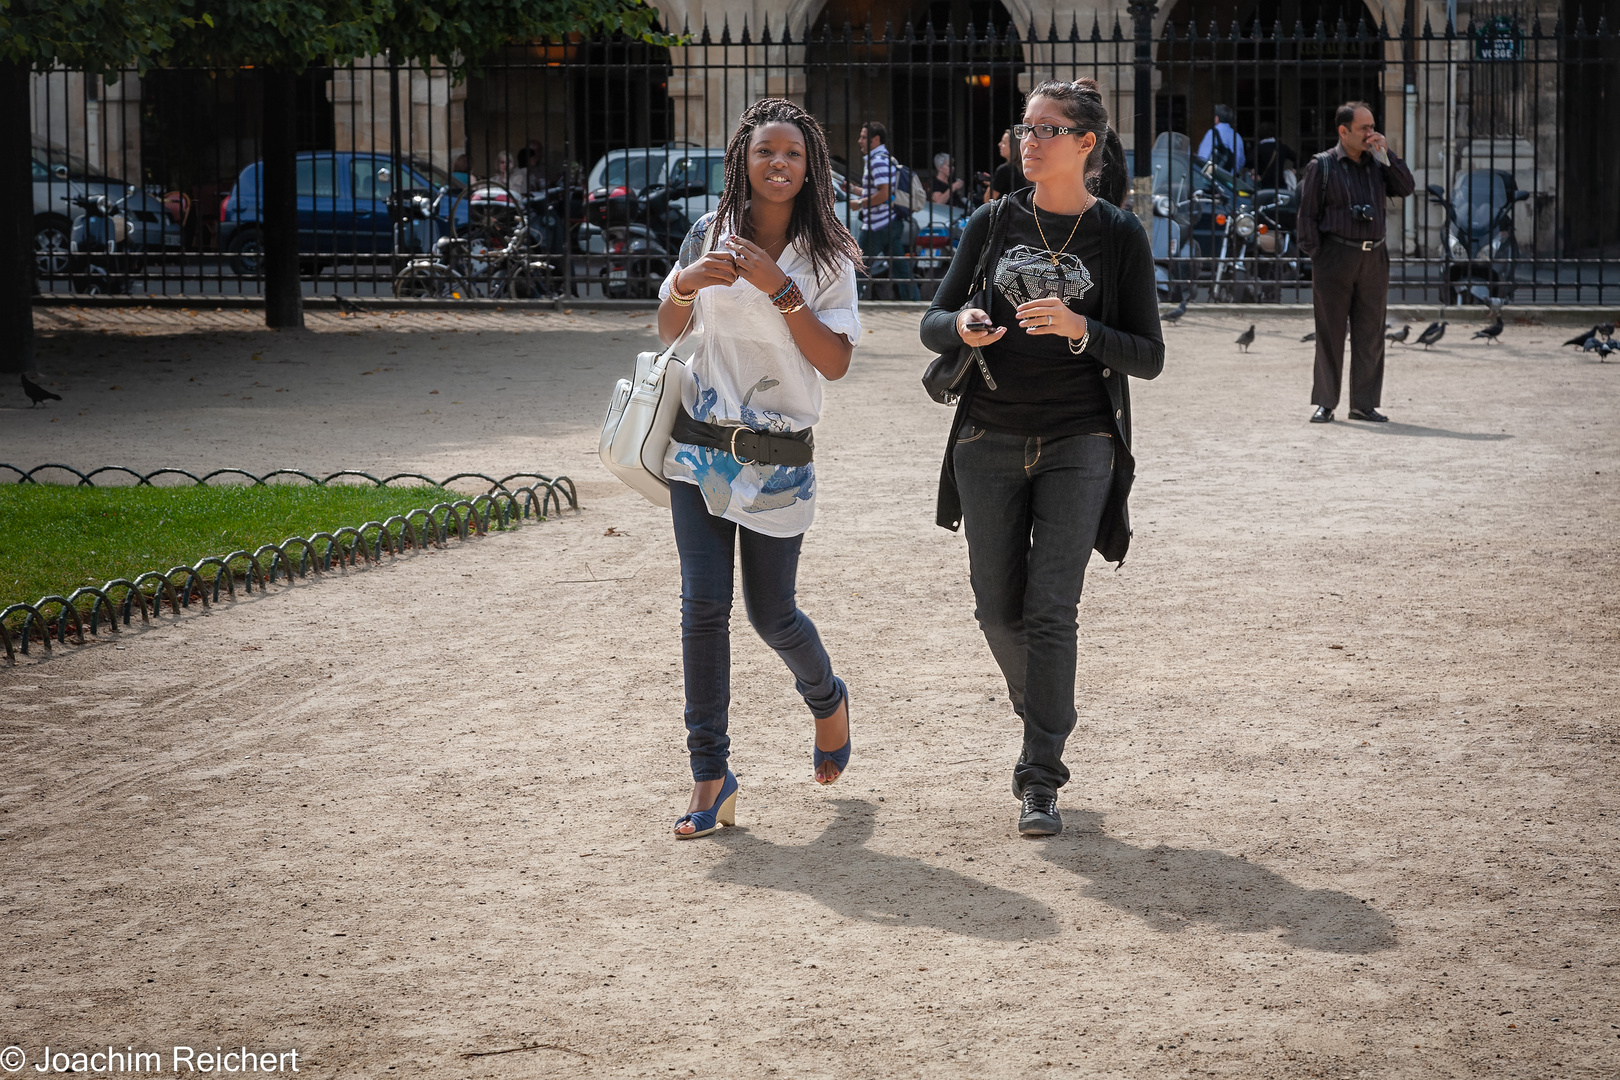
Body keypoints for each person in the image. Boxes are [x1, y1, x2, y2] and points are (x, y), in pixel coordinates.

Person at [920, 78, 1164, 838]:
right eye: (1025, 129)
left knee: (1052, 610)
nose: (1028, 142)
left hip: (1080, 442)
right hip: (986, 438)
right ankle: (1051, 711)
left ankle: (1039, 776)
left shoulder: (1118, 234)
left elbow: (1149, 356)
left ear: (1085, 145)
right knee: (997, 609)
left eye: (1046, 130)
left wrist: (1079, 326)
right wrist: (962, 323)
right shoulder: (992, 221)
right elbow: (931, 321)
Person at [654, 98, 865, 839]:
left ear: (811, 170)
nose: (778, 164)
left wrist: (781, 287)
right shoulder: (707, 234)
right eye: (765, 151)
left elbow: (834, 362)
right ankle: (710, 772)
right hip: (700, 450)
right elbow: (669, 327)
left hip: (779, 463)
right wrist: (684, 284)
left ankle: (827, 697)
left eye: (793, 155)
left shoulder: (831, 256)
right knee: (702, 607)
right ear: (742, 160)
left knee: (770, 613)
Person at [1297, 101, 1415, 424]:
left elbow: (1406, 187)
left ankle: (1363, 404)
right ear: (1343, 131)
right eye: (1364, 128)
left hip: (1374, 257)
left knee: (1371, 333)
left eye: (1373, 126)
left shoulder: (1378, 163)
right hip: (1334, 257)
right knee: (1330, 334)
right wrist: (1318, 256)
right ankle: (1325, 403)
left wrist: (1388, 156)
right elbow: (1307, 216)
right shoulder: (1321, 166)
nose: (1371, 133)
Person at [850, 120, 919, 300]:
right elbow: (877, 190)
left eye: (864, 137)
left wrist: (859, 204)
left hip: (877, 225)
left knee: (857, 266)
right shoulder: (883, 159)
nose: (859, 141)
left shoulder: (877, 161)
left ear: (876, 139)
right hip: (889, 222)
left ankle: (851, 303)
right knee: (900, 269)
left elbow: (884, 194)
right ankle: (914, 301)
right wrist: (853, 190)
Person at [1196, 103, 1246, 174]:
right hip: (1230, 181)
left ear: (1217, 118)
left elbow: (1202, 157)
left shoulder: (1212, 133)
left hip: (1214, 179)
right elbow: (1241, 163)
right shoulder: (1237, 137)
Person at [1253, 122, 1298, 191]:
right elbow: (1298, 158)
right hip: (1280, 185)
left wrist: (1254, 173)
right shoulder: (1281, 147)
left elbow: (1248, 162)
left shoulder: (1259, 148)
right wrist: (1293, 170)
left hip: (1264, 186)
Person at [984, 128, 1022, 203]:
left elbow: (988, 201)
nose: (999, 144)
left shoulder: (1004, 170)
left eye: (1004, 143)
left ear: (1013, 147)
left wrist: (992, 185)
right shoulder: (1026, 169)